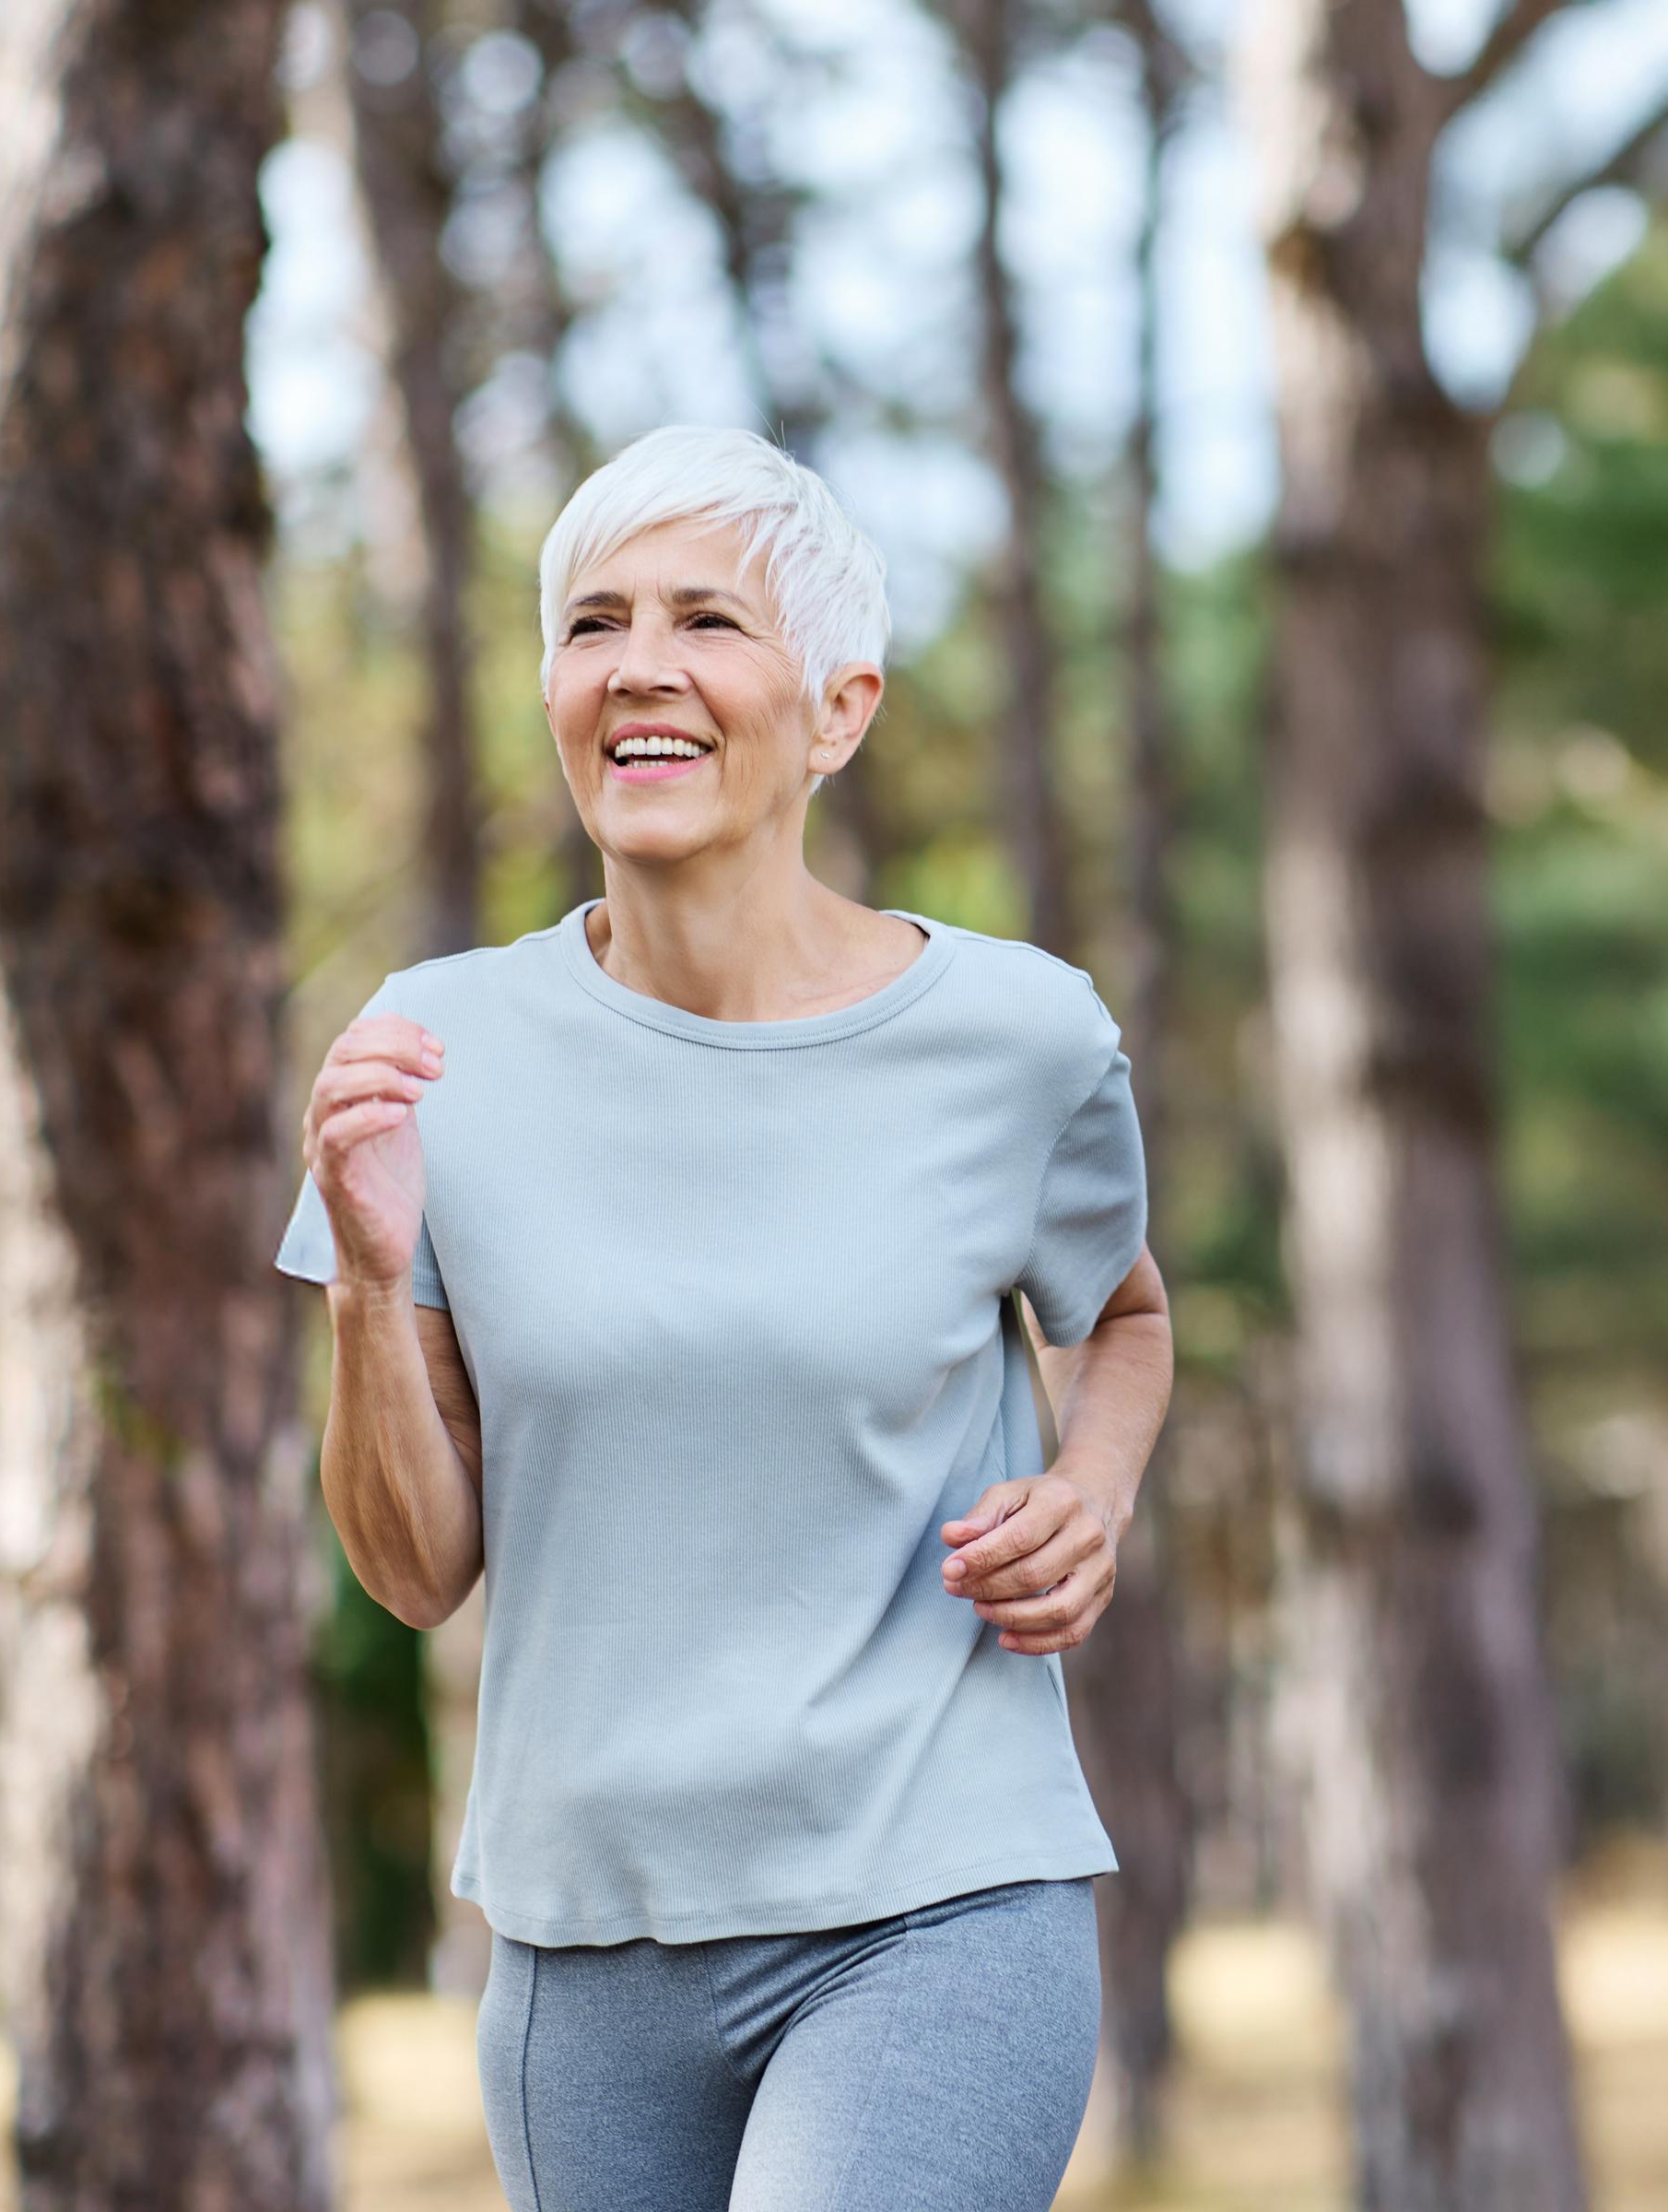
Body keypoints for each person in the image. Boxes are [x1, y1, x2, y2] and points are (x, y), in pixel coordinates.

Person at [276, 423, 1175, 2211]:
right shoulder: (436, 1053)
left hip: (933, 1902)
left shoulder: (1016, 1038)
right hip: (580, 1949)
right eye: (593, 622)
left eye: (707, 620)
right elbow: (410, 1573)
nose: (639, 668)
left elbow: (1126, 1313)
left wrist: (1093, 1488)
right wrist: (374, 1286)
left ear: (836, 709)